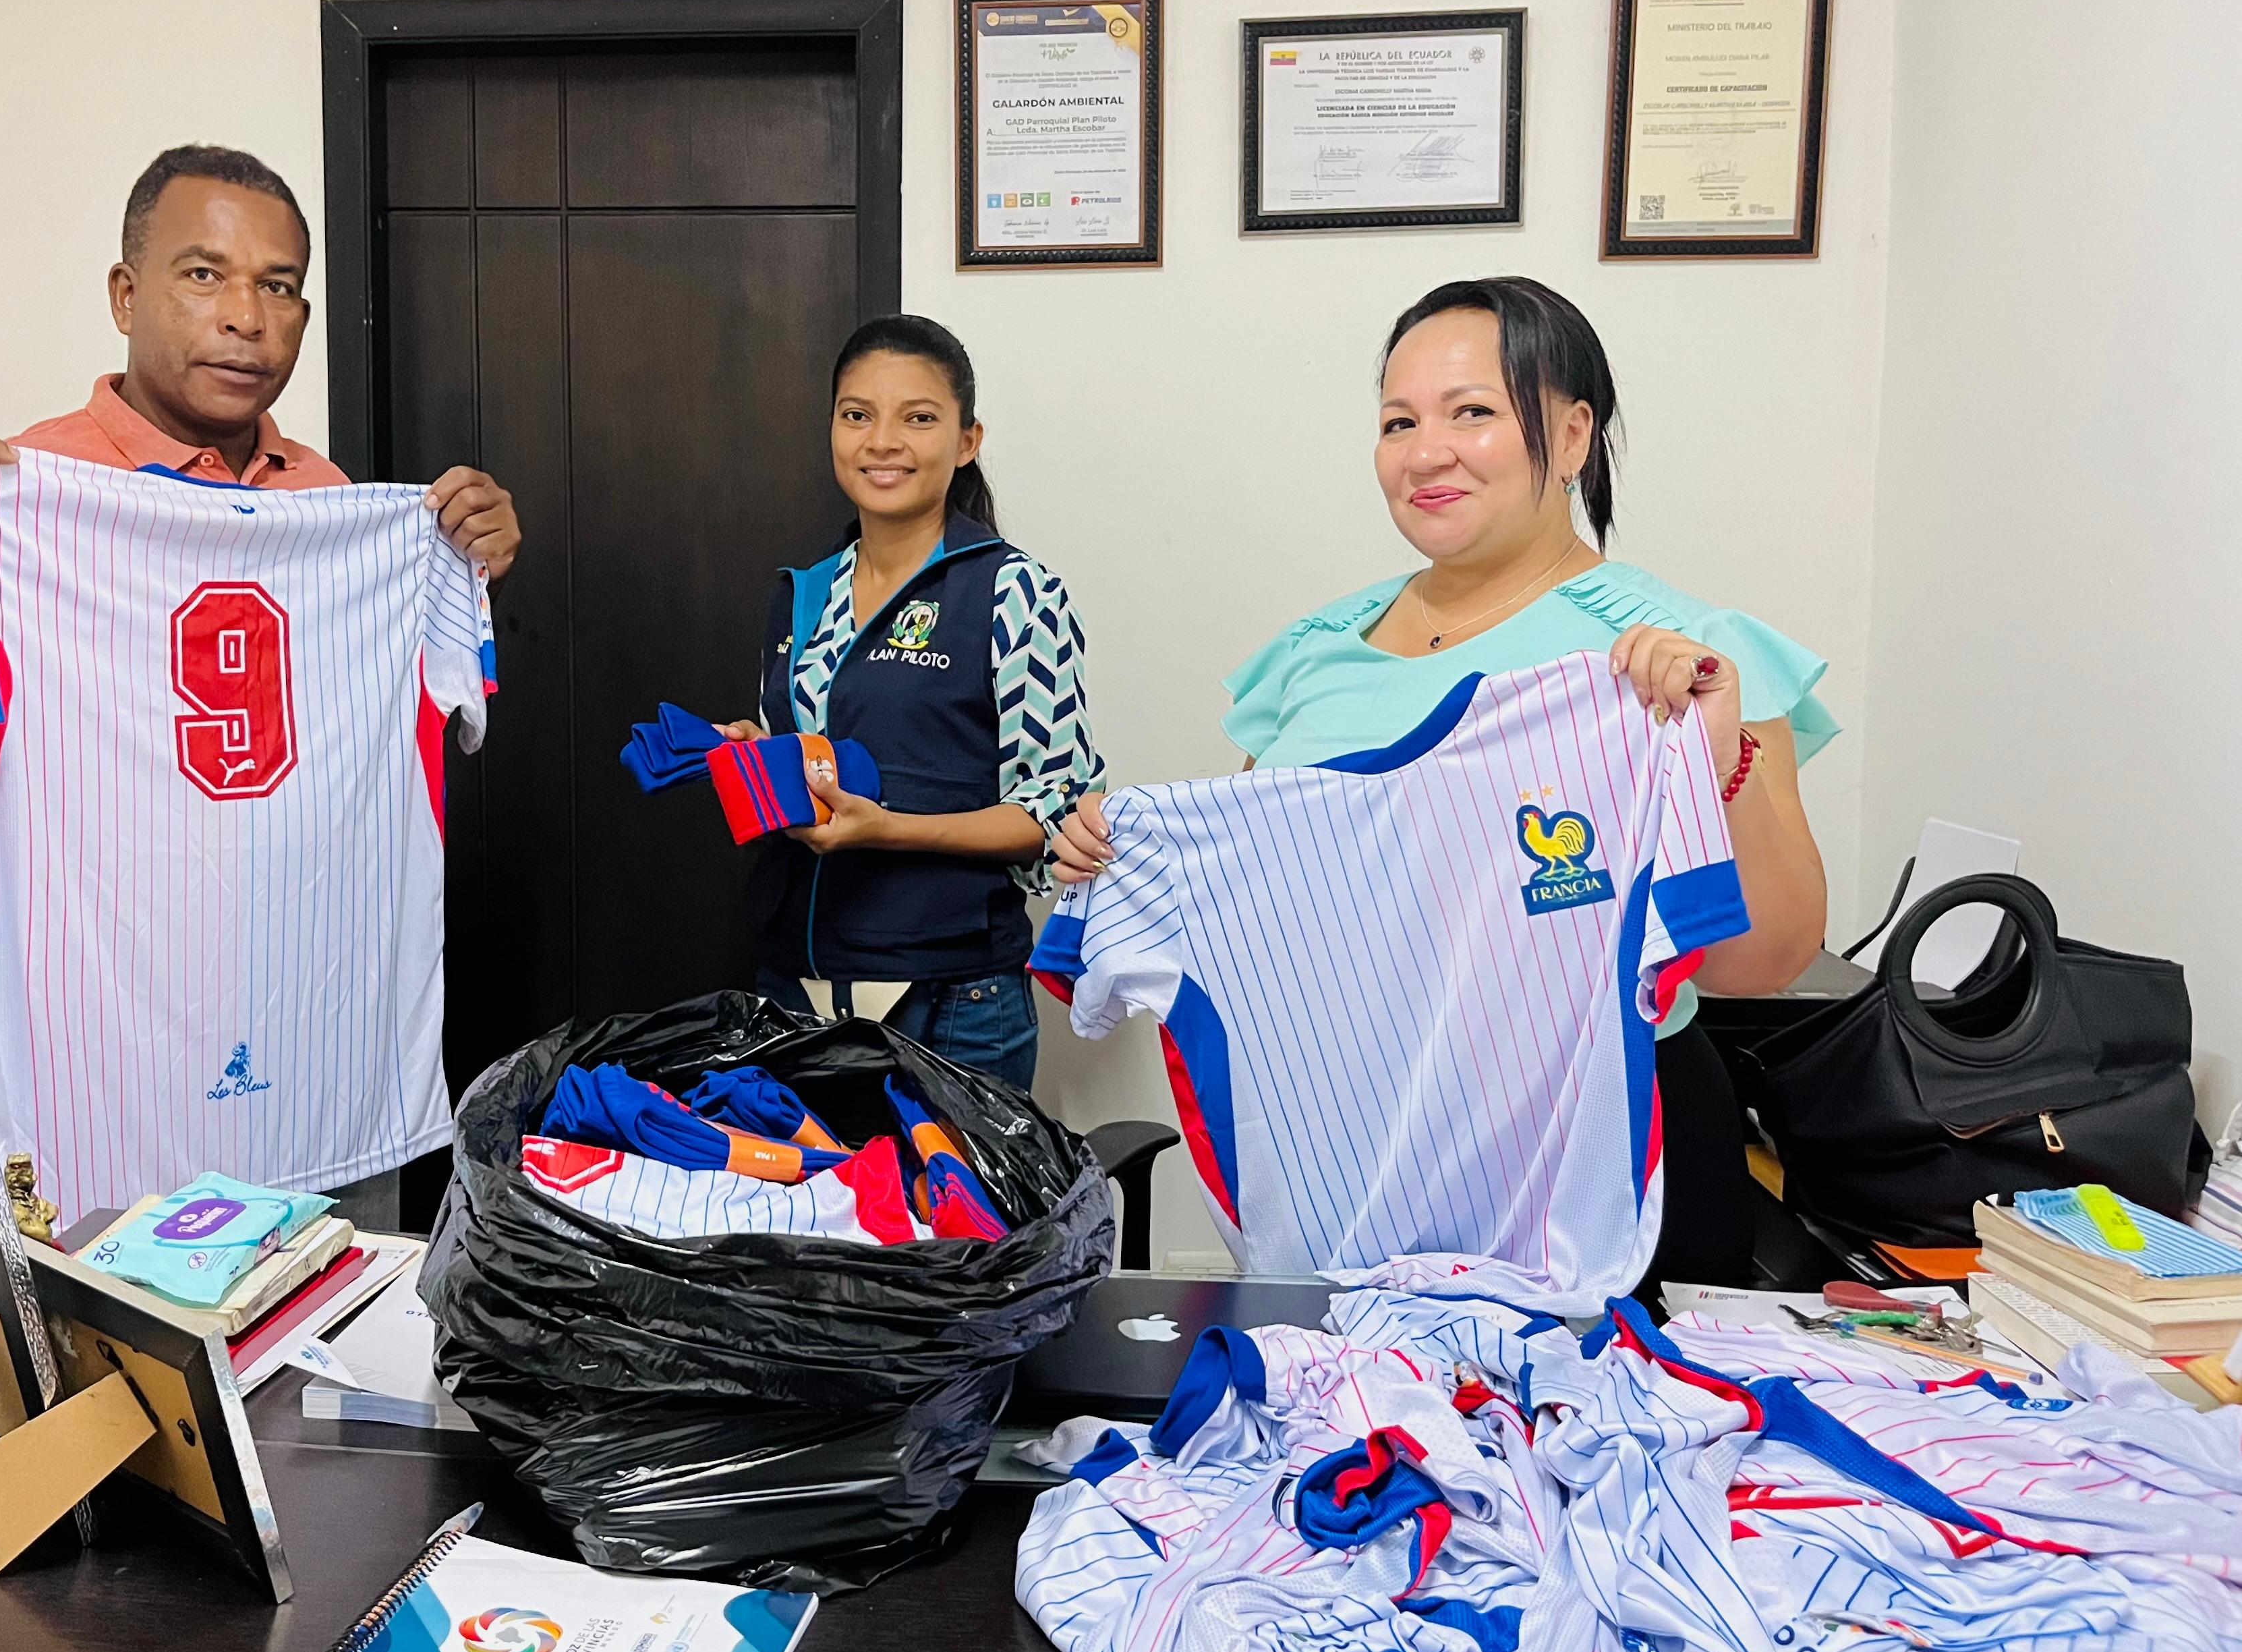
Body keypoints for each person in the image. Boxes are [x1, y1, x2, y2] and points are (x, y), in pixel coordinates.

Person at [0, 144, 523, 1232]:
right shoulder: (14, 502)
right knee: (116, 1346)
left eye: (279, 285)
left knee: (328, 1344)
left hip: (323, 1101)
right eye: (204, 274)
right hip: (111, 1125)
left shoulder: (339, 507)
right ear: (125, 296)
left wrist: (460, 558)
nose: (247, 317)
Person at [1051, 276, 1833, 1286]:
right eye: (1399, 422)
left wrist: (1717, 766)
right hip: (1351, 1161)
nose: (1426, 453)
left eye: (1473, 413)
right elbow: (1270, 888)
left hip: (1603, 1162)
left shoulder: (1674, 655)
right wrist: (1116, 857)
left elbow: (1765, 961)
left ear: (1573, 433)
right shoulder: (1316, 654)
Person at [720, 314, 1103, 1090]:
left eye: (918, 418)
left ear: (966, 441)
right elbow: (814, 760)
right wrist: (757, 757)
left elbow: (1051, 813)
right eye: (857, 414)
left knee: (955, 1183)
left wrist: (889, 829)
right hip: (796, 989)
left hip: (954, 1002)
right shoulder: (804, 593)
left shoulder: (1013, 592)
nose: (882, 442)